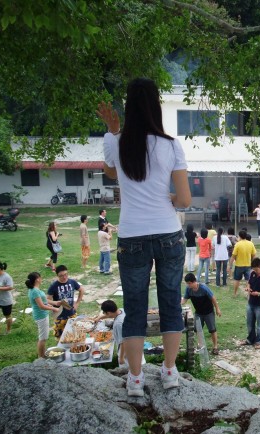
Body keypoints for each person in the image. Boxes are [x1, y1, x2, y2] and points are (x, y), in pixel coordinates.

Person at [97, 77, 191, 396]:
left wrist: (112, 131)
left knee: (135, 309)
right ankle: (168, 371)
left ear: (128, 107)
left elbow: (111, 172)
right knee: (170, 305)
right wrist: (167, 199)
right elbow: (185, 199)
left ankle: (135, 379)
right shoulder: (171, 145)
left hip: (132, 237)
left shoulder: (118, 142)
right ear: (156, 106)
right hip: (168, 235)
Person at [182, 273, 222, 355]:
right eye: (187, 283)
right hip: (198, 313)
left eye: (189, 283)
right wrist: (177, 303)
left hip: (208, 312)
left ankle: (215, 347)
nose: (188, 285)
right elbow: (184, 300)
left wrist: (217, 309)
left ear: (194, 281)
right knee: (197, 329)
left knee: (212, 330)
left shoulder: (204, 288)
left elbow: (213, 298)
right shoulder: (188, 289)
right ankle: (201, 345)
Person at [26, 272, 60, 358]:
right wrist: (54, 308)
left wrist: (52, 303)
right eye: (40, 277)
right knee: (43, 338)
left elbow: (43, 301)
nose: (41, 279)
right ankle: (41, 357)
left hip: (42, 315)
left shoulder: (35, 290)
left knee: (43, 337)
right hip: (41, 316)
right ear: (37, 279)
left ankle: (42, 355)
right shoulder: (34, 291)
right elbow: (41, 306)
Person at [47, 265, 84, 338]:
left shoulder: (72, 282)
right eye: (61, 276)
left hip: (72, 313)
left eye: (65, 274)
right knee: (61, 338)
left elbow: (81, 290)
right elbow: (47, 299)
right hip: (59, 317)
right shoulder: (54, 286)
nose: (64, 277)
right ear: (57, 275)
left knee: (75, 335)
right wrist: (55, 303)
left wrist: (77, 303)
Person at [228, 230, 257, 296]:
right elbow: (254, 255)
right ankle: (249, 295)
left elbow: (233, 256)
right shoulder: (250, 243)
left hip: (239, 265)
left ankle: (235, 293)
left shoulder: (237, 244)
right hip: (248, 265)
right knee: (248, 281)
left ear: (239, 236)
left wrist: (230, 266)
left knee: (237, 280)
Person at [98, 300, 126, 366]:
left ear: (109, 313)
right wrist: (99, 317)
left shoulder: (118, 324)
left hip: (126, 352)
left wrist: (121, 358)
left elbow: (123, 342)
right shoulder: (121, 310)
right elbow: (108, 315)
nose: (104, 314)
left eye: (104, 313)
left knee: (126, 372)